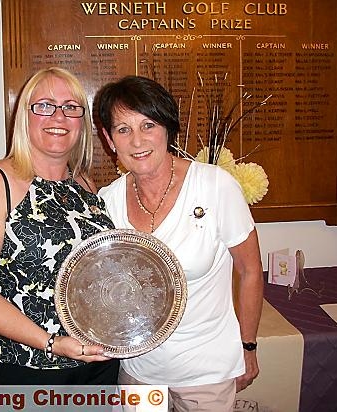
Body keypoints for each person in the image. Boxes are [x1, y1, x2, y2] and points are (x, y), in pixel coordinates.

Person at [95, 75, 264, 411]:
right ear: (108, 139)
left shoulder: (215, 186)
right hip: (139, 371)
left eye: (148, 125)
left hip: (206, 370)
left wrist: (248, 347)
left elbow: (250, 270)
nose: (137, 140)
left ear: (168, 129)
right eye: (123, 129)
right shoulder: (108, 201)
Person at [0, 67, 119, 385]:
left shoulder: (84, 183)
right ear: (23, 116)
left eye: (71, 107)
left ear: (81, 123)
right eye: (44, 105)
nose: (59, 117)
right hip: (26, 366)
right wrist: (52, 343)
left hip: (97, 361)